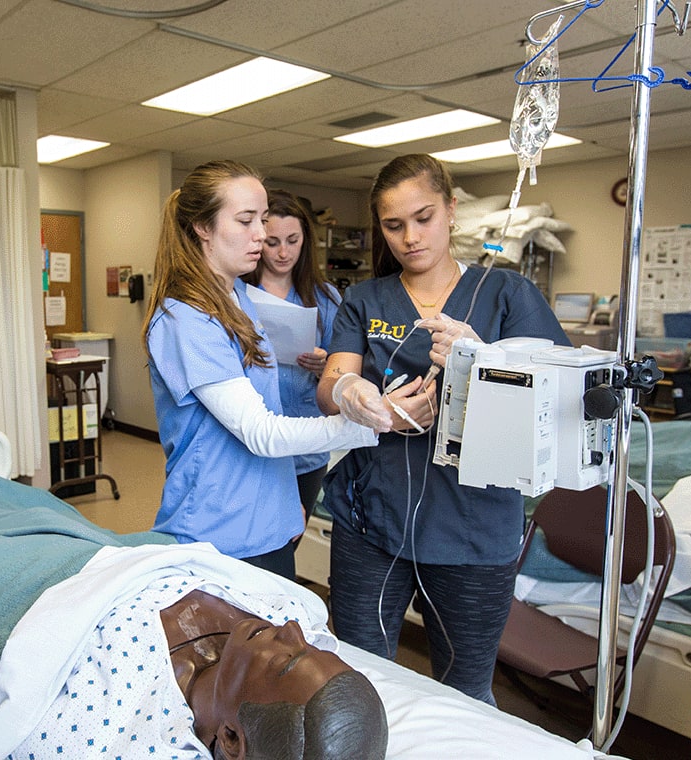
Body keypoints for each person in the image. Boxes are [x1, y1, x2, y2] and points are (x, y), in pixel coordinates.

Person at [0, 467, 389, 759]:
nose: (290, 629)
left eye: (286, 658)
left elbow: (6, 720)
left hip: (20, 594)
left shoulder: (113, 721)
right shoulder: (280, 608)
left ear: (229, 741)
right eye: (309, 643)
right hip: (99, 555)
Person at [316, 153, 570, 705]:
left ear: (452, 210)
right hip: (371, 523)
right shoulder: (364, 300)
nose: (409, 237)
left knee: (466, 690)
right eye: (393, 224)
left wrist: (477, 365)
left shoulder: (508, 296)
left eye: (423, 217)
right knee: (360, 679)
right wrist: (357, 398)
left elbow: (555, 410)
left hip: (473, 531)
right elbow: (333, 379)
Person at [141, 160, 385, 582]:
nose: (261, 235)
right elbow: (259, 431)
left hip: (267, 521)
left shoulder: (239, 297)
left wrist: (284, 501)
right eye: (246, 220)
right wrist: (373, 423)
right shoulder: (185, 319)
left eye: (263, 219)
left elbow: (268, 406)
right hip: (219, 530)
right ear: (202, 226)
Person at [242, 189, 343, 513]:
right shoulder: (237, 295)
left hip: (306, 445)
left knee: (291, 536)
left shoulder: (325, 297)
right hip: (252, 440)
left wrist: (325, 366)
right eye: (272, 242)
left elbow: (346, 366)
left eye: (293, 240)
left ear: (306, 240)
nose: (283, 252)